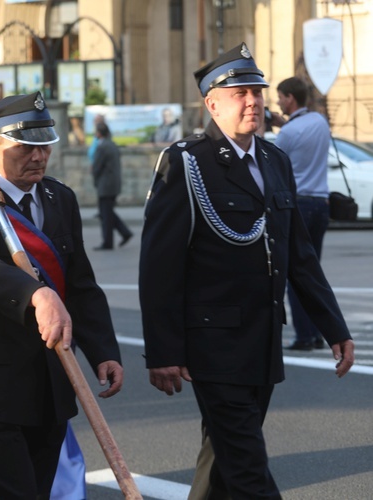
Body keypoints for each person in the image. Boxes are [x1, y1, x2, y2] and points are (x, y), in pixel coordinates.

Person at [138, 43, 355, 499]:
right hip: (212, 346)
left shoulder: (275, 160)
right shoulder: (187, 162)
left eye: (257, 91)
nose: (253, 101)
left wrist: (333, 325)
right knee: (248, 468)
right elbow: (159, 266)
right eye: (240, 93)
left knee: (224, 461)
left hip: (261, 342)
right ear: (212, 104)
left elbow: (298, 256)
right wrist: (162, 350)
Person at [0, 91, 124, 498]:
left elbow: (80, 285)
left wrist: (104, 350)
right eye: (25, 146)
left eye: (44, 146)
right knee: (13, 493)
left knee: (35, 492)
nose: (38, 157)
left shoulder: (60, 198)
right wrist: (35, 295)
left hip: (52, 378)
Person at [269, 76, 332, 351]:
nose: (278, 102)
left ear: (290, 98)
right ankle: (318, 333)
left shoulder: (287, 134)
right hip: (322, 204)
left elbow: (270, 159)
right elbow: (299, 132)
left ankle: (304, 336)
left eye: (281, 97)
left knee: (294, 272)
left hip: (299, 204)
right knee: (312, 271)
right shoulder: (319, 122)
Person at [91, 121, 133, 250]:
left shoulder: (102, 146)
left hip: (106, 185)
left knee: (105, 214)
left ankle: (108, 242)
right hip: (113, 184)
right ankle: (125, 233)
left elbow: (97, 166)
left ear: (98, 133)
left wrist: (95, 179)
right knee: (107, 213)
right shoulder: (112, 144)